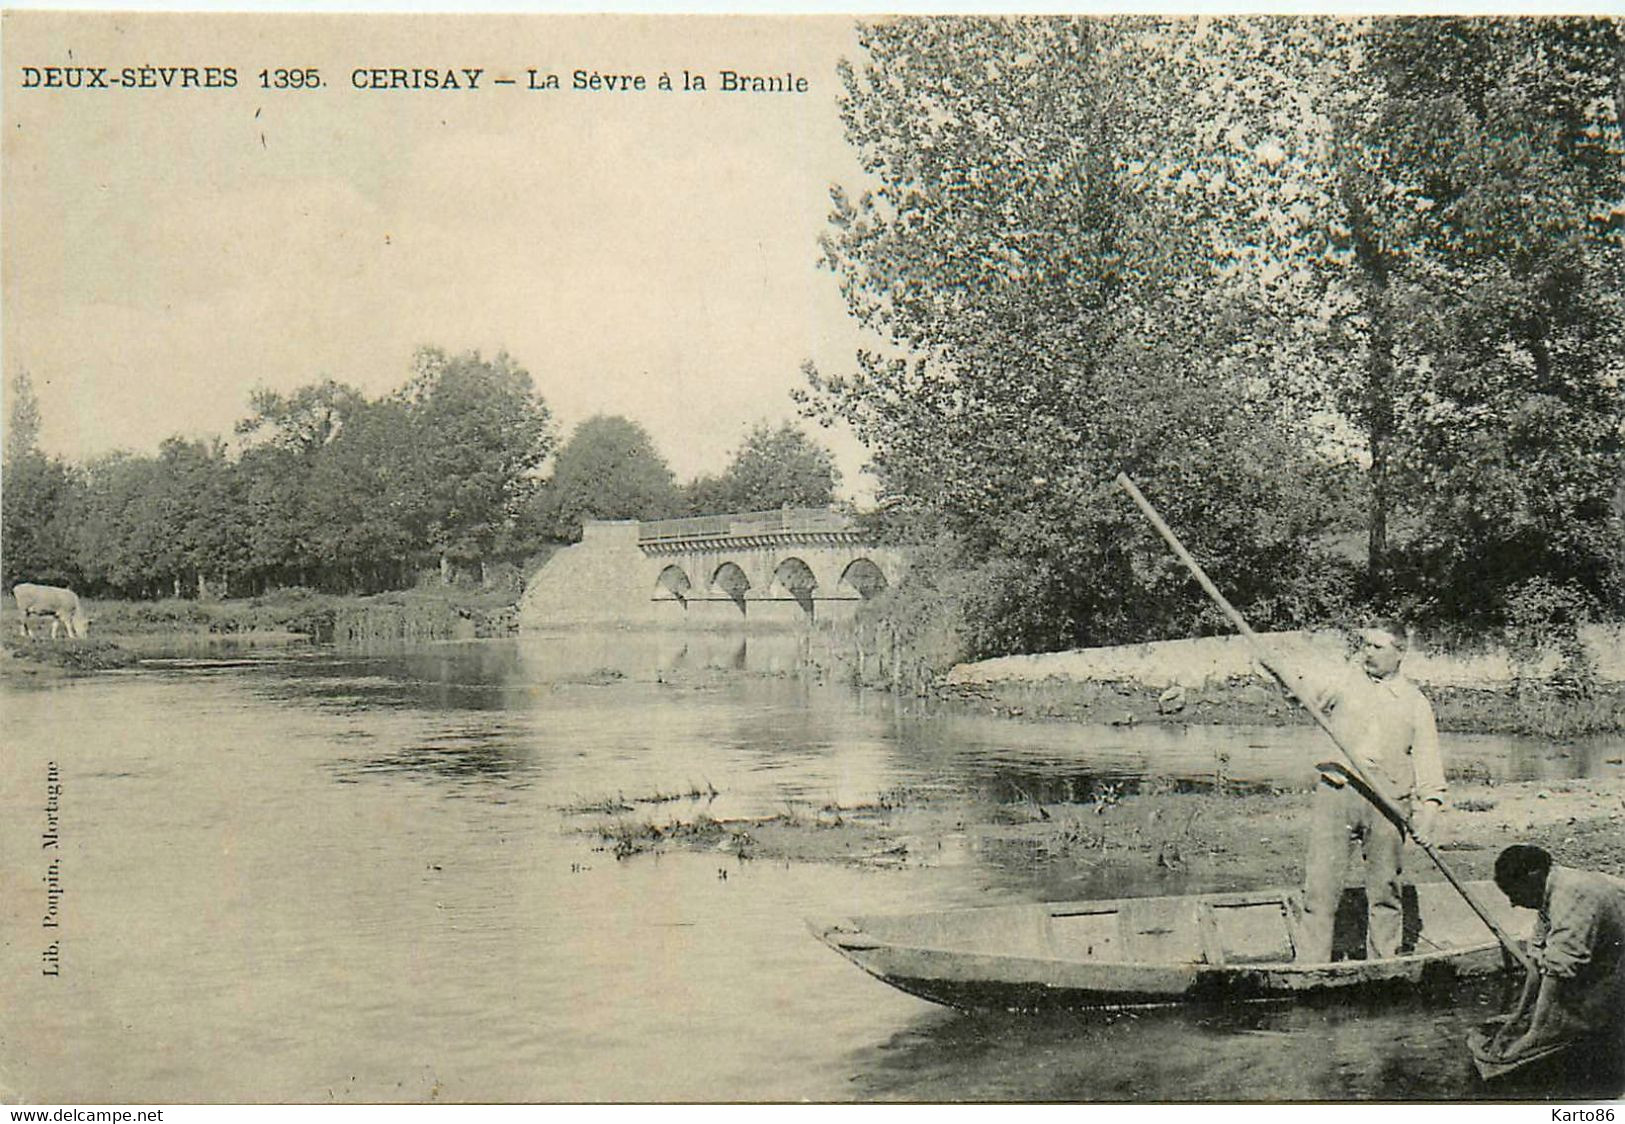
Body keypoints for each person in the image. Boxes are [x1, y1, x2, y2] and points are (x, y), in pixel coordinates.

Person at [1269, 619, 1446, 962]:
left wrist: (1429, 814)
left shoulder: (1414, 701)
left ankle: (1384, 963)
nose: (1368, 652)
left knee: (1385, 891)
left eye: (1377, 647)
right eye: (1365, 644)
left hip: (1389, 803)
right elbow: (1301, 693)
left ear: (1399, 653)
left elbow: (1429, 763)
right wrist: (1278, 670)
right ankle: (1311, 965)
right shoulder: (1343, 683)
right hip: (1339, 792)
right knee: (1320, 888)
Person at [1487, 844, 1625, 1061]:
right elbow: (1536, 966)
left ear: (1533, 877)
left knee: (1595, 1019)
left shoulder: (1572, 894)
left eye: (1514, 893)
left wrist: (1535, 1034)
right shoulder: (1550, 887)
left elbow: (1559, 968)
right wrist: (1519, 1015)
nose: (1513, 903)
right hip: (1612, 952)